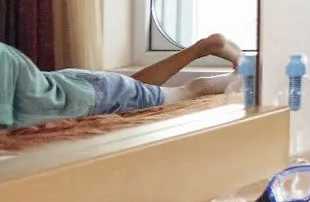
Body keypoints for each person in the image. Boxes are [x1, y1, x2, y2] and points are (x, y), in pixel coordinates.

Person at [2, 34, 242, 129]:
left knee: (186, 92)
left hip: (89, 94)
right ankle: (201, 48)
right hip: (76, 84)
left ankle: (234, 72)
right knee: (134, 86)